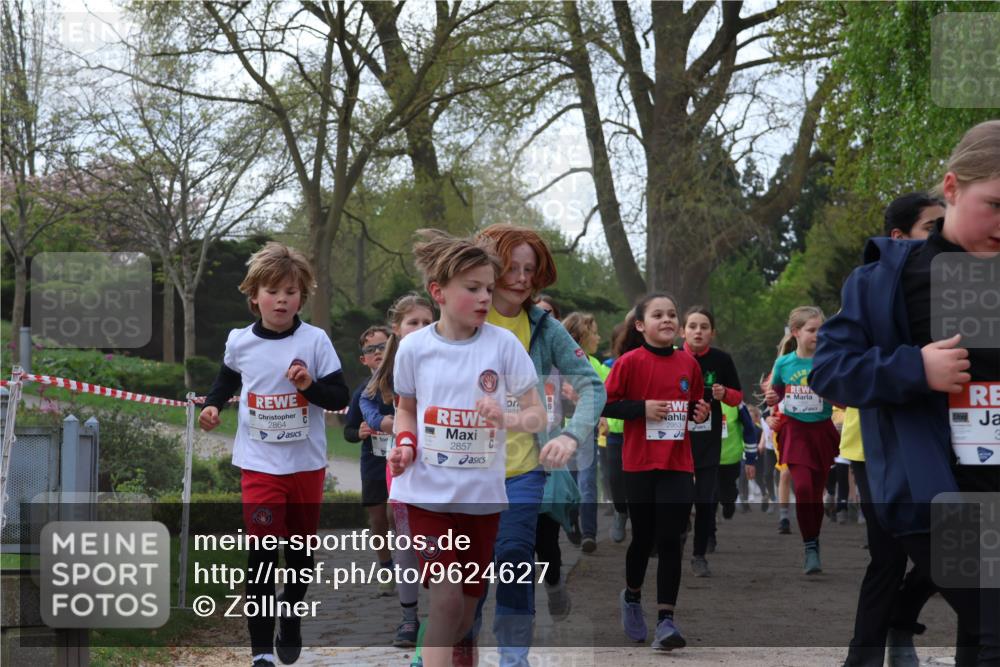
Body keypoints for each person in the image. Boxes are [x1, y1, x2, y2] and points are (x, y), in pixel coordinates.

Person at [811, 119, 1000, 664]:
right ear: (952, 188)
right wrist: (914, 368)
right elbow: (830, 370)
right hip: (935, 496)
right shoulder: (882, 281)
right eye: (995, 204)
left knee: (982, 629)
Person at [387, 229, 550, 667]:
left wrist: (508, 418)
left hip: (481, 502)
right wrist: (405, 443)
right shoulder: (415, 349)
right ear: (438, 292)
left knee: (463, 611)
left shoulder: (504, 346)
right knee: (444, 602)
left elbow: (539, 415)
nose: (484, 299)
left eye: (488, 290)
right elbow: (405, 408)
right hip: (426, 497)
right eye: (472, 288)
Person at [199, 242, 350, 667]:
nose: (282, 299)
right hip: (260, 465)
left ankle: (292, 613)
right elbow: (226, 380)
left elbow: (340, 395)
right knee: (262, 557)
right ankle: (261, 652)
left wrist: (307, 387)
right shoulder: (240, 341)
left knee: (300, 556)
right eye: (272, 291)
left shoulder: (315, 341)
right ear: (254, 297)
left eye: (291, 291)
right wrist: (212, 405)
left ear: (302, 296)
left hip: (305, 466)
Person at [467, 224, 605, 667]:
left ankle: (513, 657)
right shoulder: (462, 315)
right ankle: (456, 653)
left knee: (513, 560)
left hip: (523, 470)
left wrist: (570, 435)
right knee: (466, 577)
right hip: (462, 472)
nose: (522, 278)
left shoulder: (544, 328)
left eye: (531, 270)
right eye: (512, 267)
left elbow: (591, 386)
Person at [838, 191, 946, 667]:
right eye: (932, 228)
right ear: (898, 237)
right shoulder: (870, 291)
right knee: (887, 560)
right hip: (873, 450)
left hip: (941, 449)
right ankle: (863, 658)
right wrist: (915, 366)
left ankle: (902, 623)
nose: (945, 238)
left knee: (949, 558)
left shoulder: (963, 286)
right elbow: (839, 369)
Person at [603, 293, 710, 651]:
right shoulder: (630, 362)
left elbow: (696, 402)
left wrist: (701, 413)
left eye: (672, 315)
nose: (667, 320)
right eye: (658, 315)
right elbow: (607, 404)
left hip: (678, 463)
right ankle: (632, 597)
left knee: (671, 538)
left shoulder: (689, 364)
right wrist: (642, 408)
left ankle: (666, 620)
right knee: (644, 538)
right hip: (639, 462)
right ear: (640, 325)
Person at [359, 294, 434, 649]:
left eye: (426, 322)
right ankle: (408, 618)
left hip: (443, 464)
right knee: (404, 540)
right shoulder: (387, 369)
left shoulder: (445, 357)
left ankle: (439, 619)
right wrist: (381, 420)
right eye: (412, 323)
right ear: (397, 329)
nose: (420, 329)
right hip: (400, 464)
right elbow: (365, 398)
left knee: (436, 544)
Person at [765, 306, 839, 574]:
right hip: (794, 432)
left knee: (815, 496)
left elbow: (842, 400)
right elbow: (774, 399)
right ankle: (809, 545)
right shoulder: (784, 364)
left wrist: (830, 394)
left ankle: (813, 542)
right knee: (805, 489)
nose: (817, 335)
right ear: (796, 332)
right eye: (812, 330)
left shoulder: (829, 360)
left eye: (821, 330)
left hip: (821, 431)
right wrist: (771, 414)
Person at [680, 306, 742, 577]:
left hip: (707, 439)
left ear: (712, 333)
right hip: (675, 440)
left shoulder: (721, 360)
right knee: (678, 498)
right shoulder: (671, 358)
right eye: (692, 326)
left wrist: (724, 392)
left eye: (704, 327)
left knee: (704, 499)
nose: (698, 331)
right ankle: (675, 540)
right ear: (683, 331)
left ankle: (699, 555)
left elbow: (737, 397)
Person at [342, 325, 396, 596]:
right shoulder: (362, 391)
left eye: (382, 347)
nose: (377, 353)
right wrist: (359, 432)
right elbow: (348, 430)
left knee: (394, 513)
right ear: (363, 359)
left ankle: (413, 563)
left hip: (401, 461)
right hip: (374, 461)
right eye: (370, 350)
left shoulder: (404, 382)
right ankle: (386, 567)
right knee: (378, 520)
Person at [560, 311, 608, 552]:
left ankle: (589, 532)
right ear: (580, 336)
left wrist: (603, 416)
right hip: (561, 435)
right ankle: (572, 525)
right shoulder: (556, 363)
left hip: (586, 433)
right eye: (594, 333)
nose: (598, 338)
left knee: (588, 482)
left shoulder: (593, 365)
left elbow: (602, 396)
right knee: (569, 485)